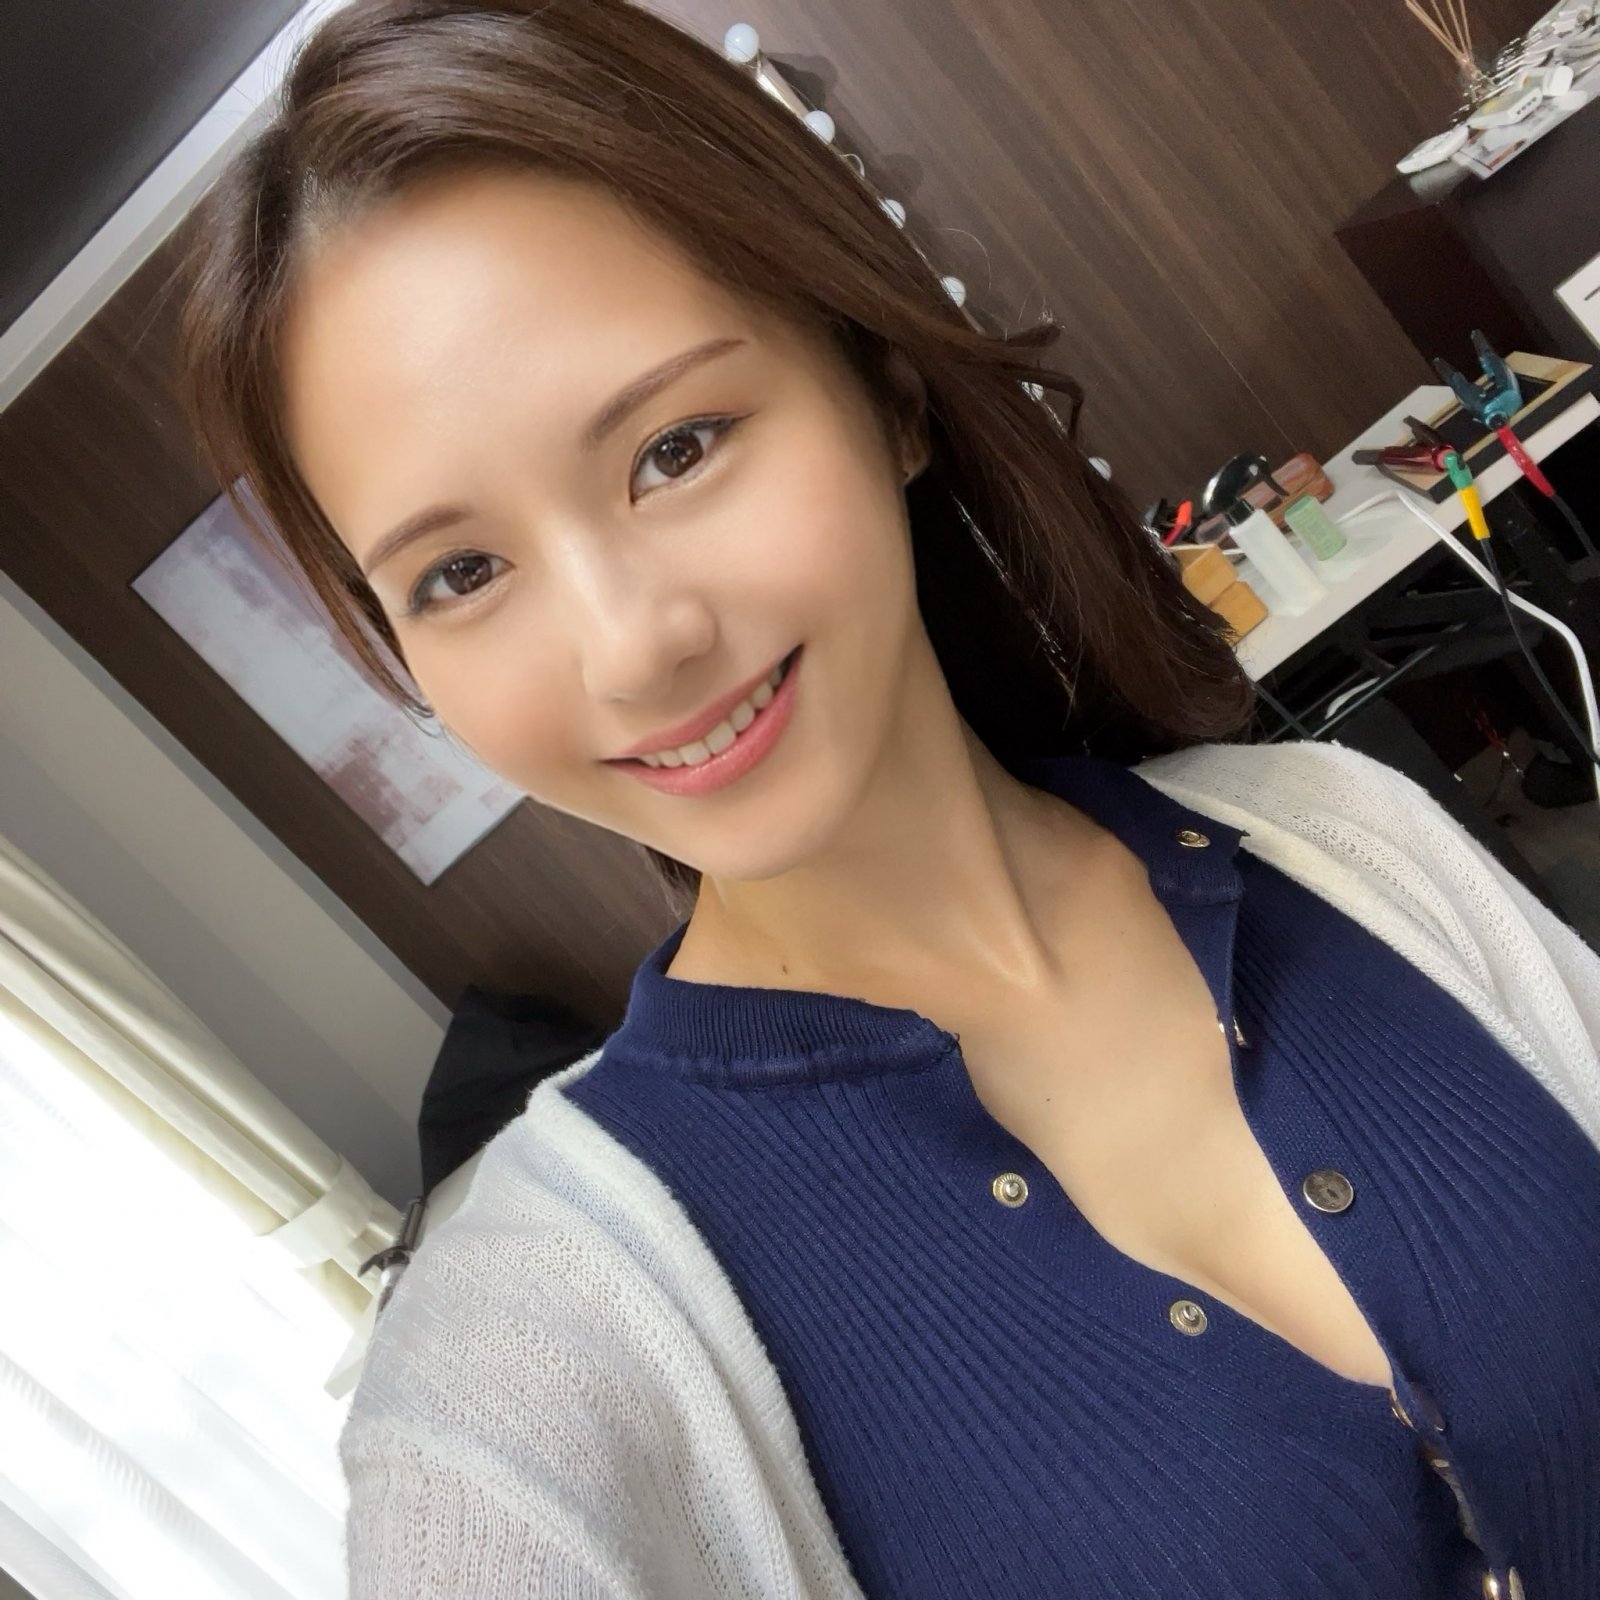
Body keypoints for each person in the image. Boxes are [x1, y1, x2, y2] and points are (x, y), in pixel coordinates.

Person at [173, 2, 1600, 1595]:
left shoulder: (1338, 835)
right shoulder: (530, 1362)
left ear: (891, 393)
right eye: (460, 573)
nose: (632, 647)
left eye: (676, 447)